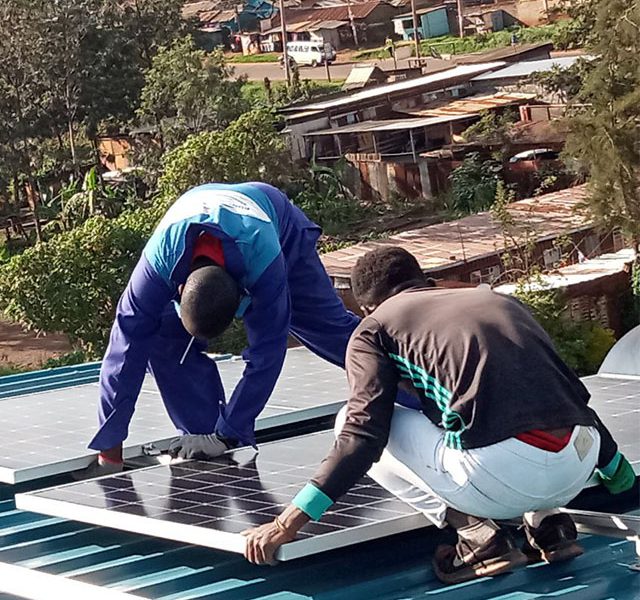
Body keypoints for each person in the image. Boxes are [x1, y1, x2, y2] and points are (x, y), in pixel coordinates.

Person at [242, 247, 636, 584]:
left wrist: (285, 525)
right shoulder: (498, 301)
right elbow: (566, 393)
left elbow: (363, 436)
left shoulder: (375, 327)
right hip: (577, 466)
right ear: (424, 280)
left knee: (349, 418)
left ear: (366, 306)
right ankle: (550, 527)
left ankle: (477, 535)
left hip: (503, 477)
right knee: (488, 414)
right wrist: (618, 472)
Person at [83, 182, 359, 477]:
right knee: (165, 341)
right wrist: (109, 449)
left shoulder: (264, 263)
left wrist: (231, 431)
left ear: (243, 294)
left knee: (329, 330)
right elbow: (123, 350)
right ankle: (200, 435)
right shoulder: (157, 265)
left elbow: (268, 351)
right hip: (197, 215)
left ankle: (409, 383)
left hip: (272, 219)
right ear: (179, 287)